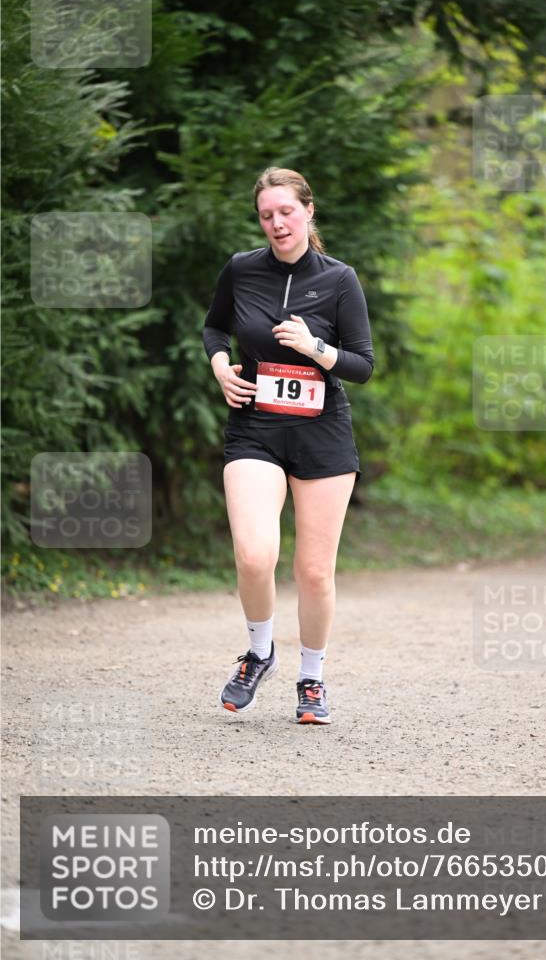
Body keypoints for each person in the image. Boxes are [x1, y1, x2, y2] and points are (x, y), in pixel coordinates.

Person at [202, 166, 374, 724]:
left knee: (314, 572)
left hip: (322, 434)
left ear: (308, 212)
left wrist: (314, 346)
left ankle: (313, 679)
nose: (277, 223)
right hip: (255, 429)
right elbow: (214, 328)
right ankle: (259, 653)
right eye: (266, 215)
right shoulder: (242, 269)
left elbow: (363, 365)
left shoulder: (340, 279)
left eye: (287, 212)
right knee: (254, 555)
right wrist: (221, 364)